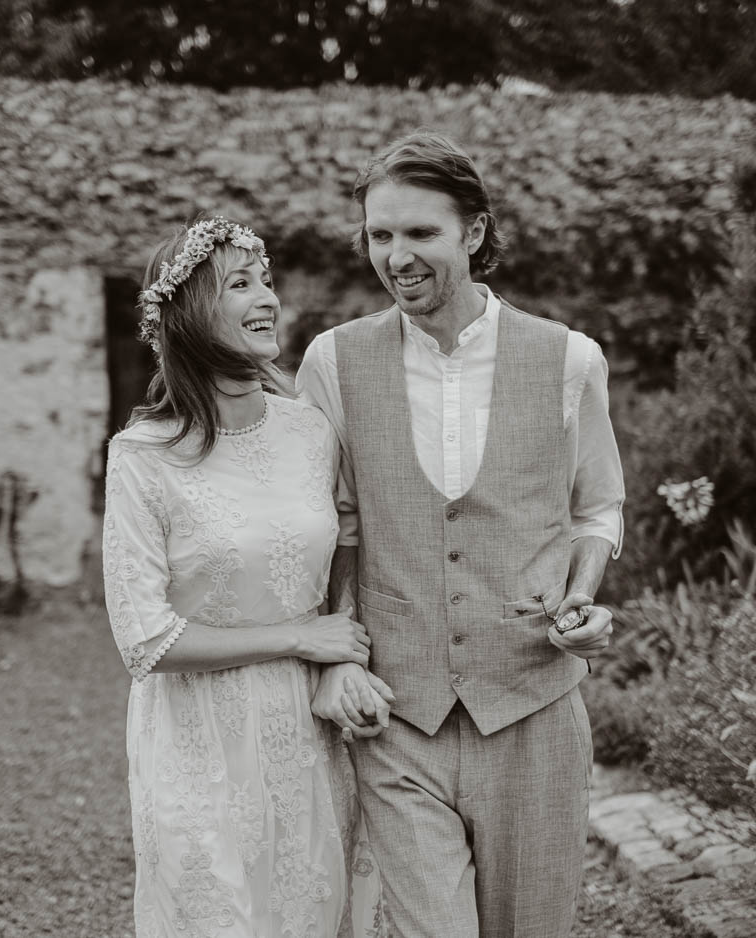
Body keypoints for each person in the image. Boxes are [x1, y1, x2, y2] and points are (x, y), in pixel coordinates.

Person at [296, 132, 625, 938]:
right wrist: (335, 659)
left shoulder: (570, 360)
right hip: (398, 717)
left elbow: (596, 510)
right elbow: (325, 525)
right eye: (380, 235)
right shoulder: (333, 363)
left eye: (420, 233)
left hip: (534, 709)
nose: (396, 256)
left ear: (473, 233)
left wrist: (582, 598)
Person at [101, 216, 389, 936]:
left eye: (267, 281)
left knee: (312, 913)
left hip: (307, 736)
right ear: (191, 314)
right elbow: (146, 643)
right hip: (199, 741)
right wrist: (299, 638)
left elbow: (347, 546)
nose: (267, 298)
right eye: (240, 284)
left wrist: (339, 659)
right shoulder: (143, 457)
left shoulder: (310, 430)